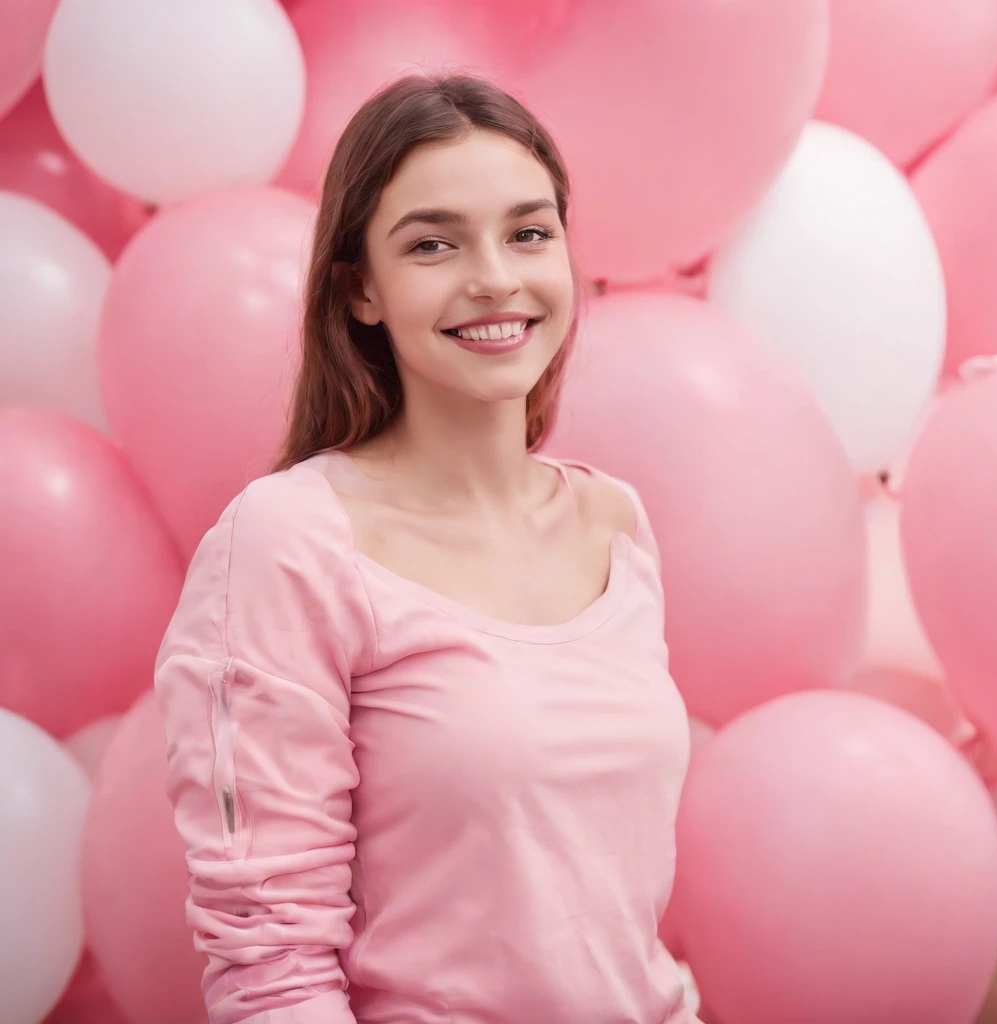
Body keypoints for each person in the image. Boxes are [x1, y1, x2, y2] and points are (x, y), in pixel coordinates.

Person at [154, 71, 697, 1024]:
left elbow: (616, 915)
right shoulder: (290, 540)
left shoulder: (615, 521)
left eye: (529, 232)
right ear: (360, 289)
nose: (495, 276)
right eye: (435, 244)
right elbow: (272, 968)